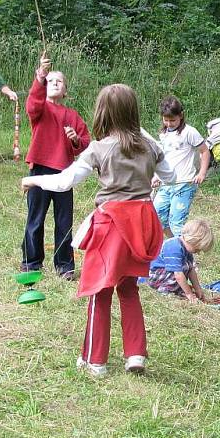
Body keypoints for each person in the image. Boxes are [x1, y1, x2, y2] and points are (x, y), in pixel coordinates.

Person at [21, 84, 175, 378]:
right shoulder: (150, 146)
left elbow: (64, 182)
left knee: (99, 290)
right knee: (128, 289)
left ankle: (95, 360)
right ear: (134, 112)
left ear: (103, 112)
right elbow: (172, 176)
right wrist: (144, 137)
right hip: (142, 222)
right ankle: (136, 354)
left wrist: (34, 181)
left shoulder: (99, 148)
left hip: (112, 225)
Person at [21, 53, 91, 278]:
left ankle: (64, 266)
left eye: (58, 81)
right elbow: (32, 104)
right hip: (40, 169)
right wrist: (40, 74)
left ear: (65, 90)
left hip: (64, 173)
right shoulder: (40, 108)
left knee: (64, 221)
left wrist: (74, 139)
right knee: (35, 218)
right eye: (50, 81)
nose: (53, 84)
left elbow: (85, 144)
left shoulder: (72, 115)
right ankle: (31, 262)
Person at [152, 95, 211, 237]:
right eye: (166, 120)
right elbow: (162, 158)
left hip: (184, 183)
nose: (169, 123)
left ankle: (185, 255)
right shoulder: (163, 134)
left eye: (173, 120)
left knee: (176, 221)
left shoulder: (189, 132)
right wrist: (156, 176)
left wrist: (202, 173)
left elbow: (204, 151)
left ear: (181, 116)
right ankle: (176, 245)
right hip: (166, 183)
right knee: (157, 217)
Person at [147, 218, 213, 303]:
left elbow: (191, 270)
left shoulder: (186, 248)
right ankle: (166, 289)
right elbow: (178, 274)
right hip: (156, 277)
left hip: (167, 274)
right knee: (183, 267)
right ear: (191, 240)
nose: (198, 253)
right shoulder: (174, 247)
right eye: (197, 249)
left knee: (188, 266)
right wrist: (189, 294)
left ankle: (176, 289)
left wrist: (198, 289)